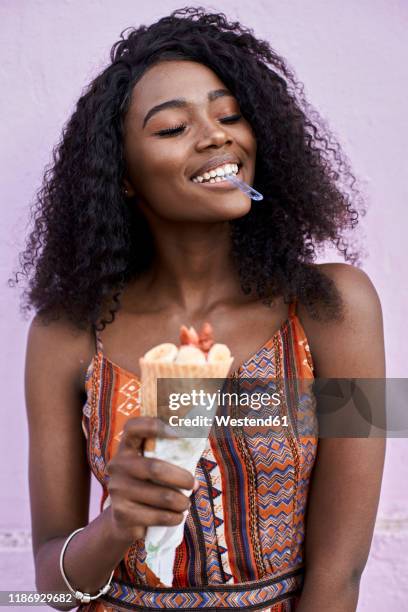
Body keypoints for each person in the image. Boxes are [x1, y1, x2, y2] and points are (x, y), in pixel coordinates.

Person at [12, 7, 386, 612]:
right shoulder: (65, 332)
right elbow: (47, 589)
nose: (216, 135)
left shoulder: (339, 305)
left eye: (229, 114)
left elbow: (342, 572)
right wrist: (114, 526)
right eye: (170, 129)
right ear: (123, 176)